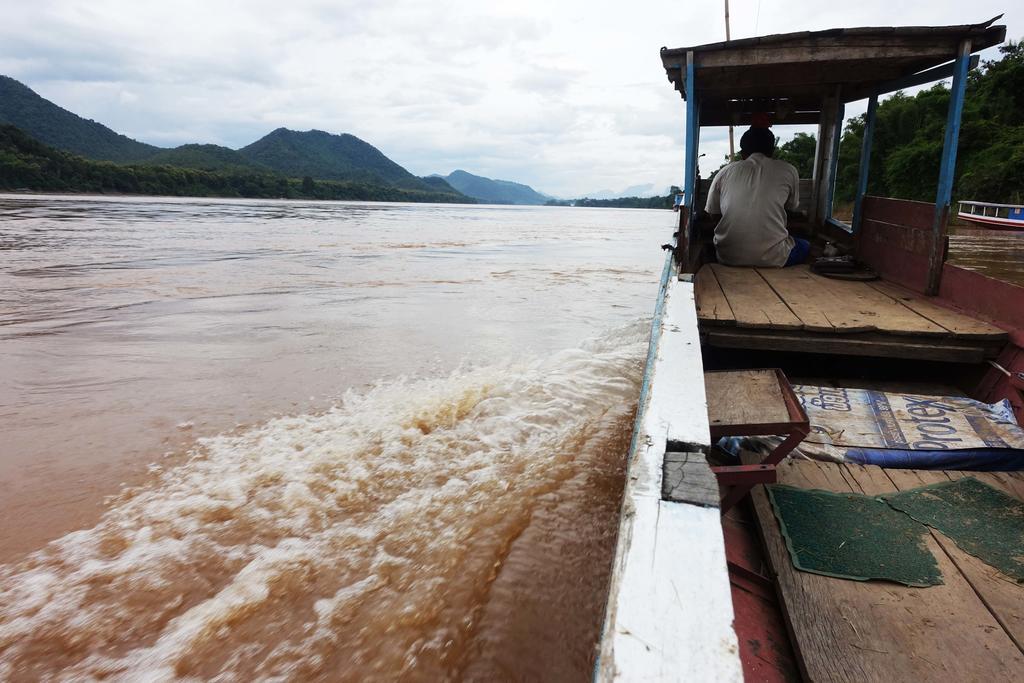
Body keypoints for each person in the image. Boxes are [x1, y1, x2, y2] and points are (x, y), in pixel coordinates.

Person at [704, 124, 808, 267]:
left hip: (728, 256)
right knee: (805, 245)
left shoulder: (725, 172)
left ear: (742, 153)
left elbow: (713, 215)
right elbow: (790, 209)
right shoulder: (789, 171)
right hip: (775, 257)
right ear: (772, 151)